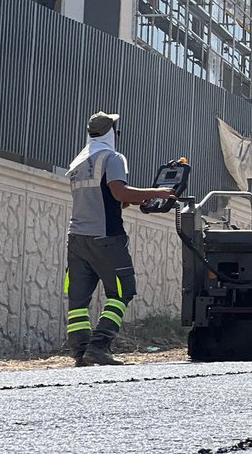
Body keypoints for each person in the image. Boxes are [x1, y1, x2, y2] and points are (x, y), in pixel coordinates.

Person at [65, 111, 177, 366]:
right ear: (111, 133)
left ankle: (80, 351)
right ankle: (100, 345)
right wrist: (159, 192)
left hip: (77, 239)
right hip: (106, 238)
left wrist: (133, 200)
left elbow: (105, 199)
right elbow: (118, 192)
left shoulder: (78, 162)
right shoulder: (112, 158)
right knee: (122, 292)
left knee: (78, 300)